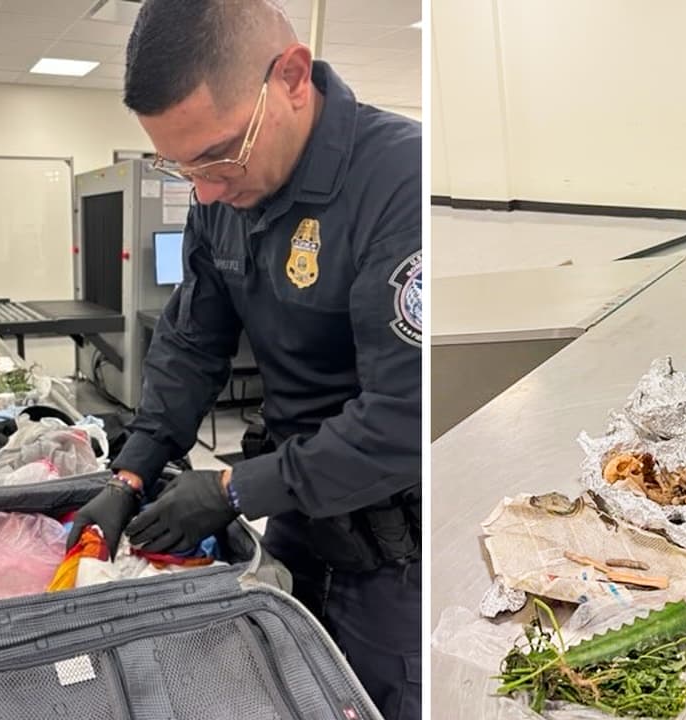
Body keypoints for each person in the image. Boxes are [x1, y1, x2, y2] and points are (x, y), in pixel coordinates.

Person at [65, 2, 422, 718]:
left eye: (219, 157)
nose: (203, 191)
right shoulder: (221, 192)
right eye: (180, 166)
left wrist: (232, 490)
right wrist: (133, 470)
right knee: (280, 688)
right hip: (294, 516)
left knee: (378, 700)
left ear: (291, 78)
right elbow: (192, 339)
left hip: (393, 554)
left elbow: (403, 418)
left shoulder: (399, 181)